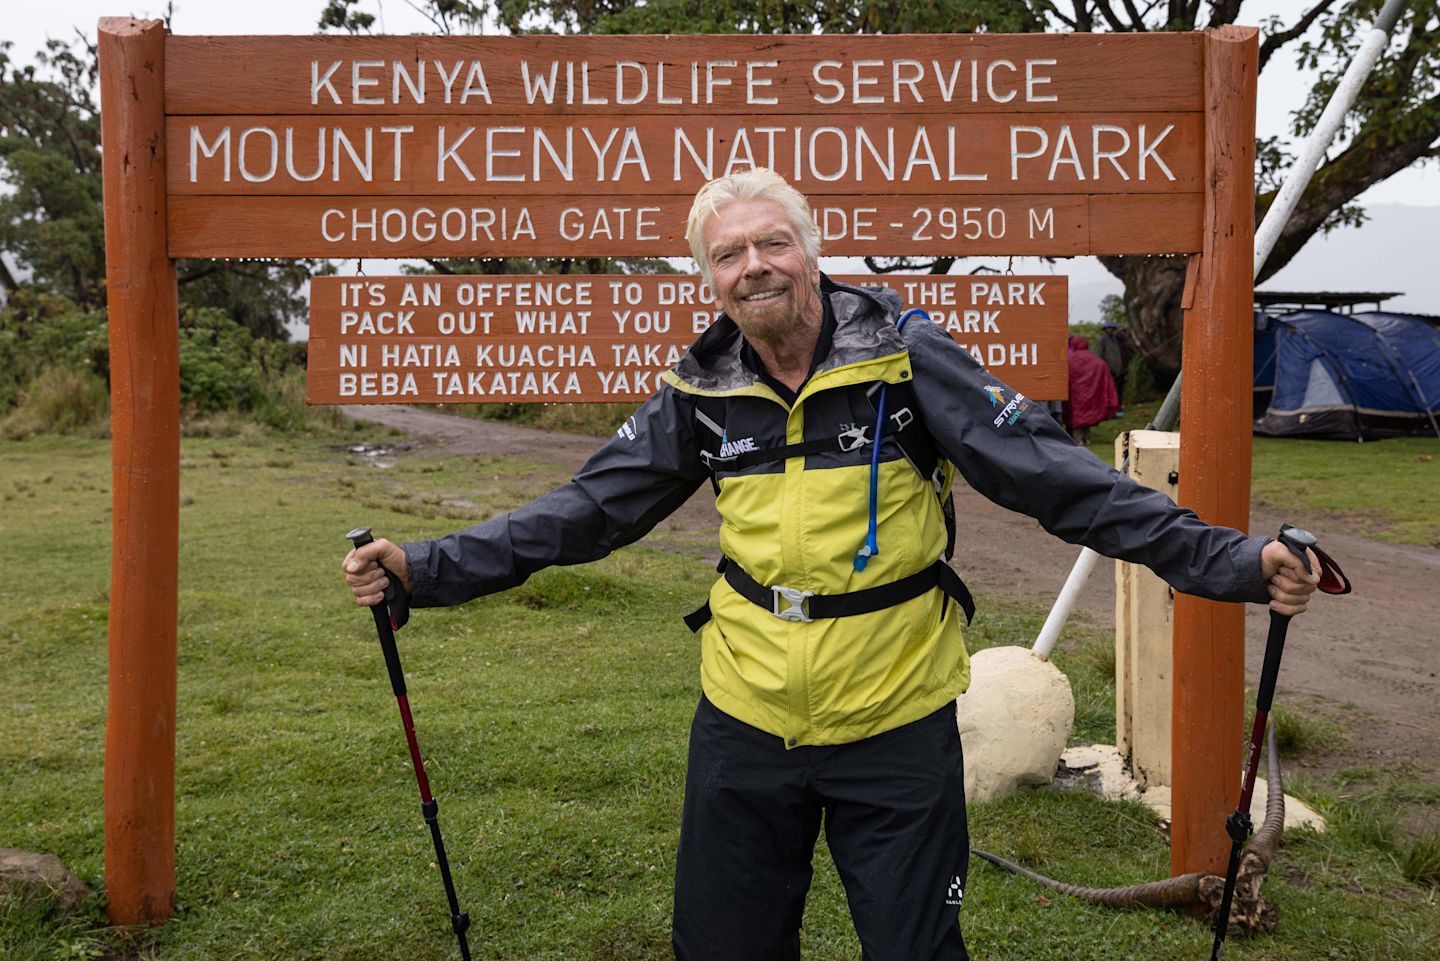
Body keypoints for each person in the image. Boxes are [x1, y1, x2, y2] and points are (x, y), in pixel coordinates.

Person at [343, 168, 1319, 961]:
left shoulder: (903, 355)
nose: (754, 265)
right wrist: (427, 567)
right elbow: (588, 510)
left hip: (896, 723)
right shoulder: (701, 386)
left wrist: (1231, 560)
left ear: (810, 252)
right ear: (707, 278)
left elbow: (1055, 478)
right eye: (729, 253)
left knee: (912, 947)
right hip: (746, 721)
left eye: (773, 242)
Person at [1064, 333, 1120, 445]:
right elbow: (1104, 372)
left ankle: (1078, 439)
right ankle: (1087, 438)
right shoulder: (1096, 360)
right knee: (1087, 415)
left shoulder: (1069, 360)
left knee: (1077, 415)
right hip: (1091, 394)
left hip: (1075, 394)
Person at [1095, 321, 1130, 415]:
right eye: (1108, 329)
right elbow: (1099, 356)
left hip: (1120, 371)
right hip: (1109, 372)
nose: (1110, 330)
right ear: (1105, 330)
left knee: (1119, 390)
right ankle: (1109, 410)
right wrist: (1107, 369)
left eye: (1112, 329)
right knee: (1109, 391)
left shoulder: (1116, 340)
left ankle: (1118, 408)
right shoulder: (1102, 340)